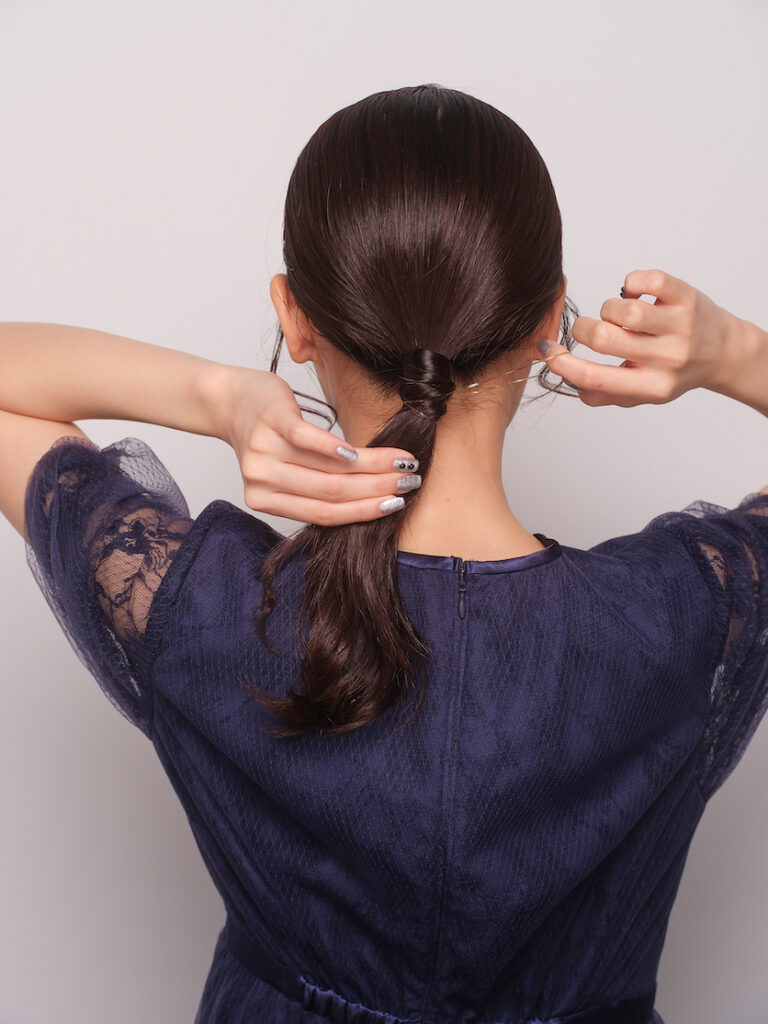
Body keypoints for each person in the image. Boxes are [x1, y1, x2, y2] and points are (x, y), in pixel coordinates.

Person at [1, 83, 767, 1024]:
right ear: (547, 321)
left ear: (294, 318)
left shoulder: (199, 606)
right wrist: (738, 356)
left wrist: (216, 397)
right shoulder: (684, 617)